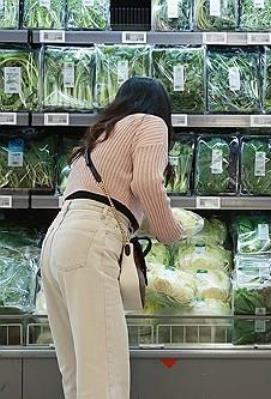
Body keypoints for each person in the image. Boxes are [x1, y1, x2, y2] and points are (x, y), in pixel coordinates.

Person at [40, 77, 183, 399]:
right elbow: (148, 182)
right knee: (104, 375)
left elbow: (111, 197)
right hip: (90, 239)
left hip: (57, 240)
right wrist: (170, 231)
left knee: (78, 372)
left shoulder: (100, 135)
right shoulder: (150, 122)